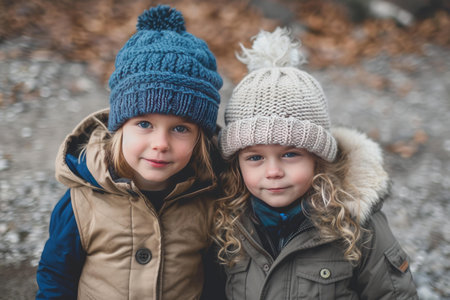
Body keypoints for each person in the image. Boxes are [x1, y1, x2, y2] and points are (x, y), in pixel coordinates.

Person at [213, 27, 418, 299]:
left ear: (318, 158)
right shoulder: (228, 220)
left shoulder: (356, 223)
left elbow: (394, 293)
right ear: (237, 164)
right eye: (255, 158)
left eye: (290, 154)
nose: (273, 172)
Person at [36, 5, 225, 299]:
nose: (161, 143)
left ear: (201, 136)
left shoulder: (207, 201)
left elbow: (216, 281)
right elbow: (56, 277)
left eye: (180, 129)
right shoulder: (82, 202)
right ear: (119, 127)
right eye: (145, 123)